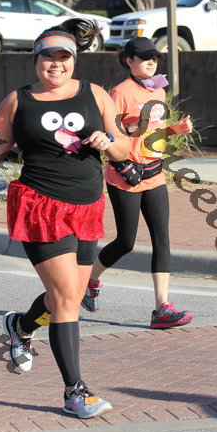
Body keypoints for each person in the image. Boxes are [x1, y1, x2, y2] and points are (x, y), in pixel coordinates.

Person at [0, 18, 129, 419]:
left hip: (87, 206)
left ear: (74, 60)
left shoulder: (95, 94)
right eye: (48, 57)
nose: (56, 64)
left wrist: (109, 141)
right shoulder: (18, 101)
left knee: (66, 294)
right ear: (36, 61)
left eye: (63, 57)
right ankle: (75, 392)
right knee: (68, 297)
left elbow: (124, 149)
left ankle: (21, 326)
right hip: (41, 206)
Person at [82, 36, 193, 329]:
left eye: (154, 57)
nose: (151, 62)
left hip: (154, 174)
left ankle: (162, 308)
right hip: (125, 176)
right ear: (129, 61)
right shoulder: (120, 93)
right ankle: (90, 279)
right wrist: (123, 159)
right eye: (144, 58)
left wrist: (174, 129)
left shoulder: (158, 90)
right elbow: (109, 136)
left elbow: (153, 134)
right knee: (126, 242)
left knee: (162, 240)